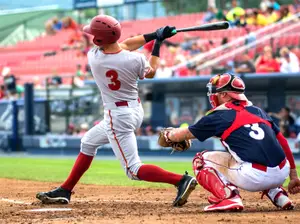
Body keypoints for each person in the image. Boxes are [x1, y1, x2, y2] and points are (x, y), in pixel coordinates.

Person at [36, 15, 197, 206]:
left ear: (98, 40)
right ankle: (65, 190)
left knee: (133, 170)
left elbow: (125, 44)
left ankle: (180, 180)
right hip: (134, 110)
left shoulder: (94, 57)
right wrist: (157, 41)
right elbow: (150, 70)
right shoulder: (135, 59)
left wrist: (155, 35)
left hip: (117, 116)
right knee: (88, 143)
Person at [158, 73, 300, 212]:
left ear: (225, 94)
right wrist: (293, 176)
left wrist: (169, 134)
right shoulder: (258, 111)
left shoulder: (219, 115)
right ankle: (279, 195)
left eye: (216, 92)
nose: (213, 96)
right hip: (282, 172)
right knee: (256, 155)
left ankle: (229, 197)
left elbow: (185, 134)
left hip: (254, 176)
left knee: (200, 159)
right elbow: (283, 142)